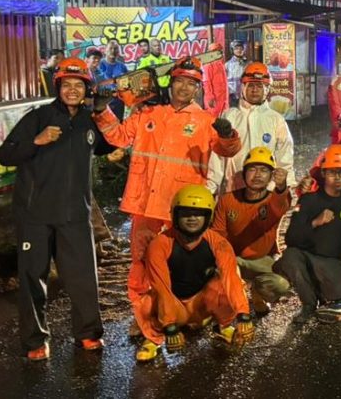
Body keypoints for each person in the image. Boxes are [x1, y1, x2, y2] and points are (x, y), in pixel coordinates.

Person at [92, 56, 242, 306]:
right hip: (145, 203)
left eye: (191, 83)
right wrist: (100, 111)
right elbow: (118, 137)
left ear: (198, 88)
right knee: (140, 260)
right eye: (180, 81)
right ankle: (143, 313)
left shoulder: (205, 120)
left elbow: (228, 150)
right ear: (170, 83)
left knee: (181, 259)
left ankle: (181, 309)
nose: (185, 88)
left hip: (181, 205)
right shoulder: (147, 113)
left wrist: (228, 134)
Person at [0, 58, 113, 360]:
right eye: (67, 84)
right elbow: (4, 154)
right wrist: (36, 141)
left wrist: (104, 111)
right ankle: (35, 341)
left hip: (76, 214)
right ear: (57, 86)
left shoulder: (90, 120)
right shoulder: (38, 117)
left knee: (84, 277)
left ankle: (88, 334)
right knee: (33, 278)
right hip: (34, 214)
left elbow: (110, 144)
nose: (72, 90)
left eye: (79, 85)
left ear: (86, 89)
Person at [132, 185, 254, 362]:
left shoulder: (219, 243)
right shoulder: (160, 244)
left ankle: (223, 326)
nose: (192, 219)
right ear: (175, 215)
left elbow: (231, 279)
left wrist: (243, 314)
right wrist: (170, 326)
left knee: (224, 284)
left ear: (207, 216)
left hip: (201, 304)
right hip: (173, 303)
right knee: (146, 302)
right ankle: (154, 339)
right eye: (186, 213)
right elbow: (162, 287)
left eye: (198, 214)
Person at [274, 144, 341, 323]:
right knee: (290, 256)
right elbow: (291, 238)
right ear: (323, 174)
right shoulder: (310, 200)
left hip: (331, 262)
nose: (337, 178)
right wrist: (315, 222)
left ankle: (329, 296)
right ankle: (309, 304)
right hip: (308, 257)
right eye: (332, 172)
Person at [211, 146, 292, 317]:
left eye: (264, 170)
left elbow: (280, 203)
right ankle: (227, 306)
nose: (257, 175)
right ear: (244, 174)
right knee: (212, 275)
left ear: (271, 176)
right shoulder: (227, 200)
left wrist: (282, 185)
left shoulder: (274, 200)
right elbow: (217, 234)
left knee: (281, 285)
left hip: (262, 260)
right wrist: (227, 263)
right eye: (252, 169)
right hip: (233, 259)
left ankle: (257, 293)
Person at [207, 62, 295, 196]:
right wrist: (212, 187)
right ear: (242, 87)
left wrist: (286, 187)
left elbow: (285, 155)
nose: (255, 90)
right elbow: (217, 156)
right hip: (234, 189)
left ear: (267, 89)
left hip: (267, 192)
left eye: (259, 86)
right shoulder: (229, 116)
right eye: (250, 85)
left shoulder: (276, 119)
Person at [96, 41, 130, 120]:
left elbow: (127, 83)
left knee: (118, 124)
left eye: (115, 49)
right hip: (103, 101)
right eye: (110, 48)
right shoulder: (99, 65)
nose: (113, 51)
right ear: (105, 50)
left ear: (118, 51)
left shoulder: (122, 66)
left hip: (118, 101)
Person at [201, 42, 230, 118]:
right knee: (212, 119)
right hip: (214, 100)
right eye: (215, 51)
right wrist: (209, 97)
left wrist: (226, 101)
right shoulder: (208, 65)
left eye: (219, 51)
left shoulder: (221, 64)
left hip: (223, 99)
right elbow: (206, 82)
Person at [225, 40, 247, 107]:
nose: (239, 50)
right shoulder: (227, 65)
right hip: (232, 95)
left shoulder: (248, 64)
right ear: (232, 50)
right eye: (236, 48)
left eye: (241, 48)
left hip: (244, 95)